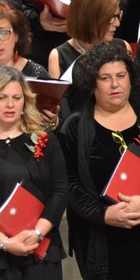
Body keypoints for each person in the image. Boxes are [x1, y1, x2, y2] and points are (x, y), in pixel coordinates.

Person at [0, 66, 68, 279]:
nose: (10, 104)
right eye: (2, 97)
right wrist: (5, 243)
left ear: (25, 101)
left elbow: (60, 191)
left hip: (41, 249)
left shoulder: (45, 139)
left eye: (17, 98)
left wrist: (37, 233)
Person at [58, 41, 140, 279]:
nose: (115, 84)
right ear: (92, 84)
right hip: (99, 237)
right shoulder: (74, 126)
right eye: (105, 78)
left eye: (121, 75)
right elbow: (69, 185)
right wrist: (103, 214)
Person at [48, 0, 131, 79]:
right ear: (89, 18)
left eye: (118, 16)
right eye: (111, 18)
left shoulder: (122, 47)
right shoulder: (59, 56)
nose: (117, 23)